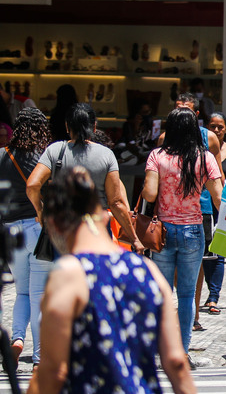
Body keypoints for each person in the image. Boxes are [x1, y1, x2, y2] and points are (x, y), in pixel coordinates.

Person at [34, 167, 196, 394]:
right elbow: (176, 363)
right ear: (104, 216)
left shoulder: (69, 274)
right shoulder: (147, 270)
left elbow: (53, 370)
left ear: (55, 225)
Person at [142, 107, 223, 354]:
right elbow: (218, 197)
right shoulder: (205, 157)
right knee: (187, 295)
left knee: (164, 293)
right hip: (193, 230)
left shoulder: (157, 155)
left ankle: (163, 348)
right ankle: (183, 349)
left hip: (163, 231)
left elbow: (150, 194)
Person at [27, 103, 144, 254]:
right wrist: (134, 239)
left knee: (67, 275)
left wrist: (40, 211)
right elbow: (116, 202)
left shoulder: (55, 150)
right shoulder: (106, 155)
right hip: (97, 229)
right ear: (94, 127)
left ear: (67, 127)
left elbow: (32, 185)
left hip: (63, 228)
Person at [0, 108, 52, 368]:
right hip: (36, 227)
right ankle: (40, 358)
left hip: (10, 232)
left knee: (22, 292)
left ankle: (17, 340)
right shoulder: (43, 158)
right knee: (39, 294)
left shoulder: (1, 156)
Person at [195, 112, 226, 323]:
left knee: (218, 251)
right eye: (212, 126)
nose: (216, 130)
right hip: (203, 204)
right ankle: (200, 298)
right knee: (203, 252)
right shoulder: (200, 152)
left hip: (222, 205)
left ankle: (213, 296)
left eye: (220, 127)